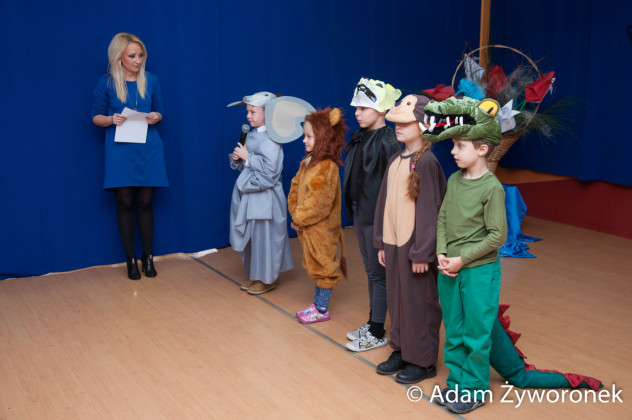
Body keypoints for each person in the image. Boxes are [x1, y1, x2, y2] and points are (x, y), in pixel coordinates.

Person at [425, 97, 508, 414]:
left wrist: (462, 259)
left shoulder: (491, 188)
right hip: (449, 268)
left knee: (475, 332)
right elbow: (443, 218)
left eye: (460, 146)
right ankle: (457, 384)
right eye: (453, 145)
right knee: (455, 330)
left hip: (478, 271)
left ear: (482, 149)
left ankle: (474, 389)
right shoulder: (454, 180)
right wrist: (442, 252)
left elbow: (497, 236)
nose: (453, 151)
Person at [373, 94, 446, 384]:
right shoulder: (395, 160)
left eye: (406, 123)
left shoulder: (427, 163)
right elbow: (384, 203)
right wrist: (381, 242)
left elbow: (431, 212)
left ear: (423, 125)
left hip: (415, 249)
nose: (398, 127)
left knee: (419, 302)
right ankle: (402, 349)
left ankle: (423, 360)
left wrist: (423, 253)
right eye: (397, 123)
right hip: (394, 245)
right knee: (398, 300)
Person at [91, 32, 168, 280]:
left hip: (149, 148)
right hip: (120, 149)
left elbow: (160, 111)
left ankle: (148, 256)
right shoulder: (106, 83)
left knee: (145, 202)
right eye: (132, 56)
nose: (138, 60)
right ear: (119, 57)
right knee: (124, 202)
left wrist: (156, 116)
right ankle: (130, 259)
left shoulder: (151, 80)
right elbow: (95, 117)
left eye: (140, 55)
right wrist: (111, 119)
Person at [343, 78, 402, 352]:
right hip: (361, 213)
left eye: (363, 108)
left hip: (377, 218)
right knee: (371, 270)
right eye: (356, 107)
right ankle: (373, 321)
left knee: (379, 273)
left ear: (381, 110)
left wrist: (386, 225)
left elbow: (395, 186)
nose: (357, 113)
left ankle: (377, 331)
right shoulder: (361, 137)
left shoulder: (388, 141)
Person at [228, 92, 294, 295]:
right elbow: (248, 167)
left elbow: (271, 172)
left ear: (268, 112)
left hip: (266, 198)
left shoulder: (273, 138)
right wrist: (239, 159)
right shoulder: (251, 135)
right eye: (247, 111)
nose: (248, 116)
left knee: (265, 238)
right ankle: (256, 274)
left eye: (253, 111)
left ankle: (267, 279)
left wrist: (248, 158)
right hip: (251, 196)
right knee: (253, 238)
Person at [289, 108, 347, 324]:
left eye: (309, 136)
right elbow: (296, 187)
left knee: (324, 268)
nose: (304, 140)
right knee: (314, 265)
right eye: (304, 135)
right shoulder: (309, 162)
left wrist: (299, 218)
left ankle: (322, 309)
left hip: (322, 231)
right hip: (308, 227)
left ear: (323, 138)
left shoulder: (326, 167)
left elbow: (319, 203)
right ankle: (316, 304)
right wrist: (295, 213)